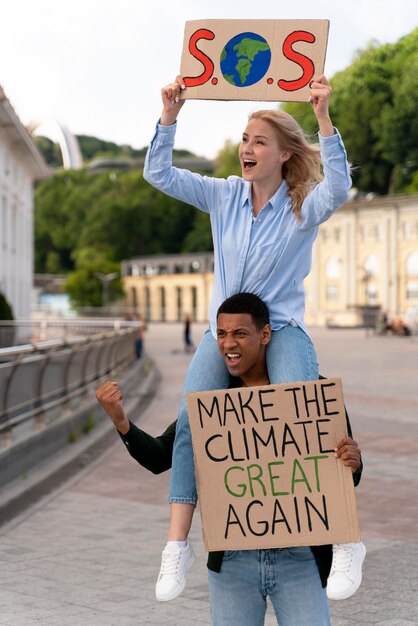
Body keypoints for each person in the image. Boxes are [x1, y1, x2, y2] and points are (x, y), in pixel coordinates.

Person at [143, 74, 355, 602]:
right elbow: (159, 173)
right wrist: (170, 116)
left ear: (284, 154)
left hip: (280, 330)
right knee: (193, 420)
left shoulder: (305, 204)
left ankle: (346, 539)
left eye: (259, 140)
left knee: (301, 415)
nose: (247, 148)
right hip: (227, 333)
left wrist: (324, 118)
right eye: (244, 139)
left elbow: (341, 187)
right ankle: (177, 546)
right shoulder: (223, 196)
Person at [96, 293, 364, 626]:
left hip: (300, 556)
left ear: (264, 335)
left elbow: (345, 474)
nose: (228, 344)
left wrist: (352, 459)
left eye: (239, 333)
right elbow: (160, 456)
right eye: (221, 334)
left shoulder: (311, 390)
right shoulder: (214, 405)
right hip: (234, 561)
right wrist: (120, 419)